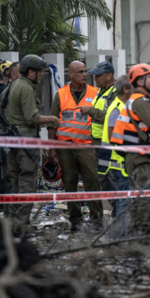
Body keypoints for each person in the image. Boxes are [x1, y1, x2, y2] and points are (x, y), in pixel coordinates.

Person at [110, 63, 150, 234]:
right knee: (147, 200)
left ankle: (135, 236)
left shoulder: (139, 101)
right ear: (140, 81)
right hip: (142, 158)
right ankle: (139, 236)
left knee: (143, 198)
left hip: (140, 157)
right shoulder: (140, 101)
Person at [2, 54, 60, 236]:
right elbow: (32, 118)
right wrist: (53, 119)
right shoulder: (25, 88)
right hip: (25, 142)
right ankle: (20, 226)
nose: (42, 75)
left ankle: (11, 224)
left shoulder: (13, 85)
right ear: (31, 72)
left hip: (12, 142)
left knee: (14, 183)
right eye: (40, 72)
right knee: (27, 183)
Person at [48, 61, 103, 233]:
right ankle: (75, 220)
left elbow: (101, 116)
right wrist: (52, 147)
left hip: (87, 145)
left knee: (92, 181)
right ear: (70, 75)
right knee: (69, 182)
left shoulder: (95, 93)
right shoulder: (61, 94)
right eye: (80, 72)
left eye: (86, 71)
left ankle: (97, 220)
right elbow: (52, 122)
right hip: (65, 146)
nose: (84, 74)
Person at [78, 61, 118, 193]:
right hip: (97, 141)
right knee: (103, 178)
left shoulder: (115, 92)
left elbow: (111, 117)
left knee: (110, 178)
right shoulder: (101, 91)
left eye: (98, 76)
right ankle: (116, 209)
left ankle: (119, 209)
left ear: (109, 76)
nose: (95, 78)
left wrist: (90, 110)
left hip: (108, 143)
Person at [99, 74, 133, 227]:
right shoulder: (118, 108)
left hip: (119, 158)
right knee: (123, 197)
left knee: (123, 196)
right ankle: (121, 229)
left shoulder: (121, 106)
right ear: (126, 90)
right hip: (118, 159)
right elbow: (114, 135)